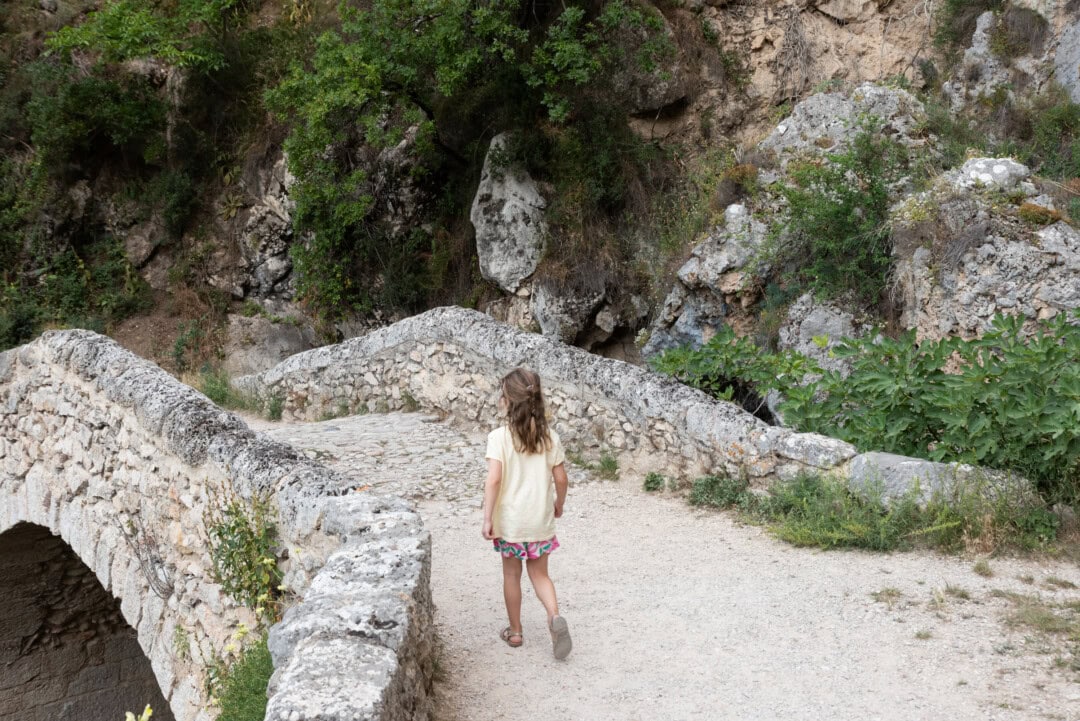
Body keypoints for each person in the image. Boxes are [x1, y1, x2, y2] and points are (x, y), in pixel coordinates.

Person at [482, 367, 572, 659]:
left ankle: (516, 631)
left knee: (511, 574)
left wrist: (487, 518)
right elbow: (561, 479)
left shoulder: (499, 437)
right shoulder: (550, 438)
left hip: (510, 522)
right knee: (540, 574)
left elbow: (493, 479)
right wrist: (559, 503)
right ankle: (554, 616)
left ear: (507, 401)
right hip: (538, 520)